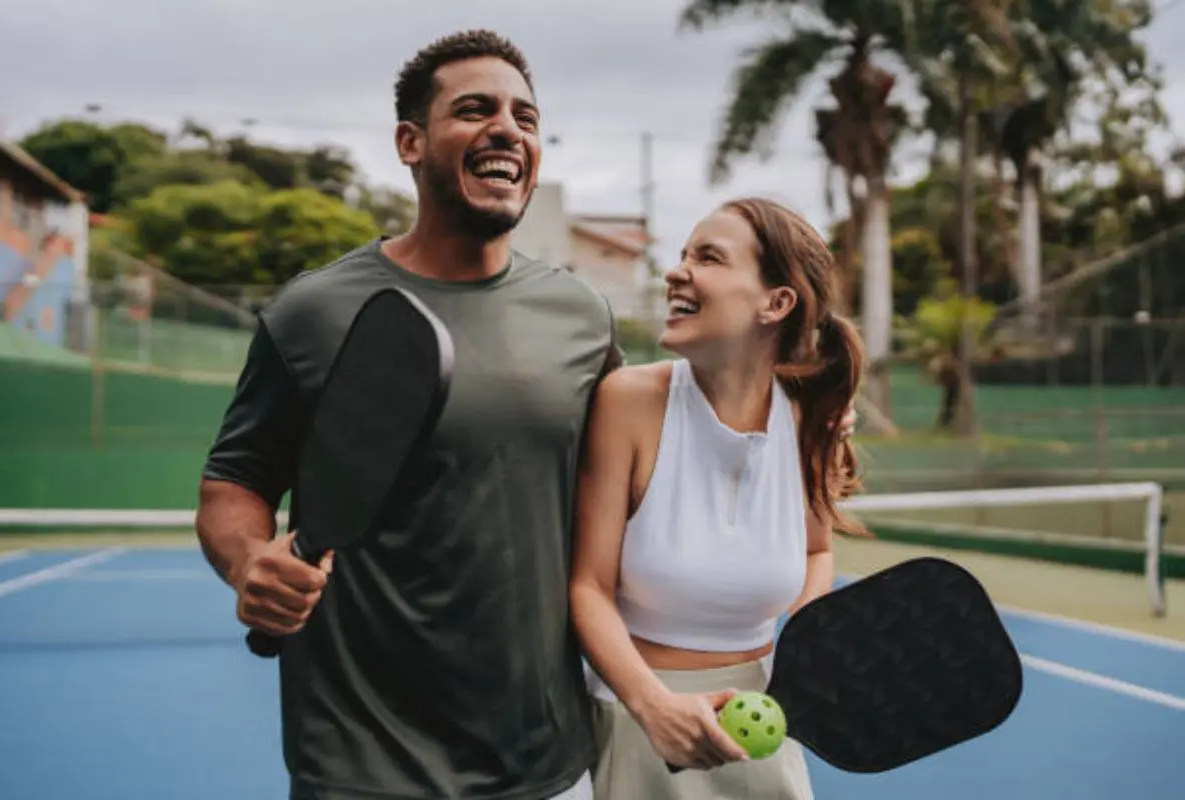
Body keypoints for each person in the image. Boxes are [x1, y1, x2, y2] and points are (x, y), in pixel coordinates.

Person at [195, 29, 620, 800]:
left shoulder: (582, 314)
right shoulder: (312, 312)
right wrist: (248, 561)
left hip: (548, 766)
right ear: (410, 142)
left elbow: (639, 455)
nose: (508, 131)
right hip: (364, 767)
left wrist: (800, 416)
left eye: (527, 118)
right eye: (475, 110)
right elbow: (234, 482)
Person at [569, 197, 864, 799]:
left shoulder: (813, 425)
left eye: (708, 257)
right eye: (682, 255)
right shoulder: (626, 400)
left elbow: (815, 552)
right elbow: (587, 588)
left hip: (763, 730)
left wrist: (804, 638)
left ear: (775, 303)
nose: (678, 271)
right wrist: (654, 707)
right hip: (635, 726)